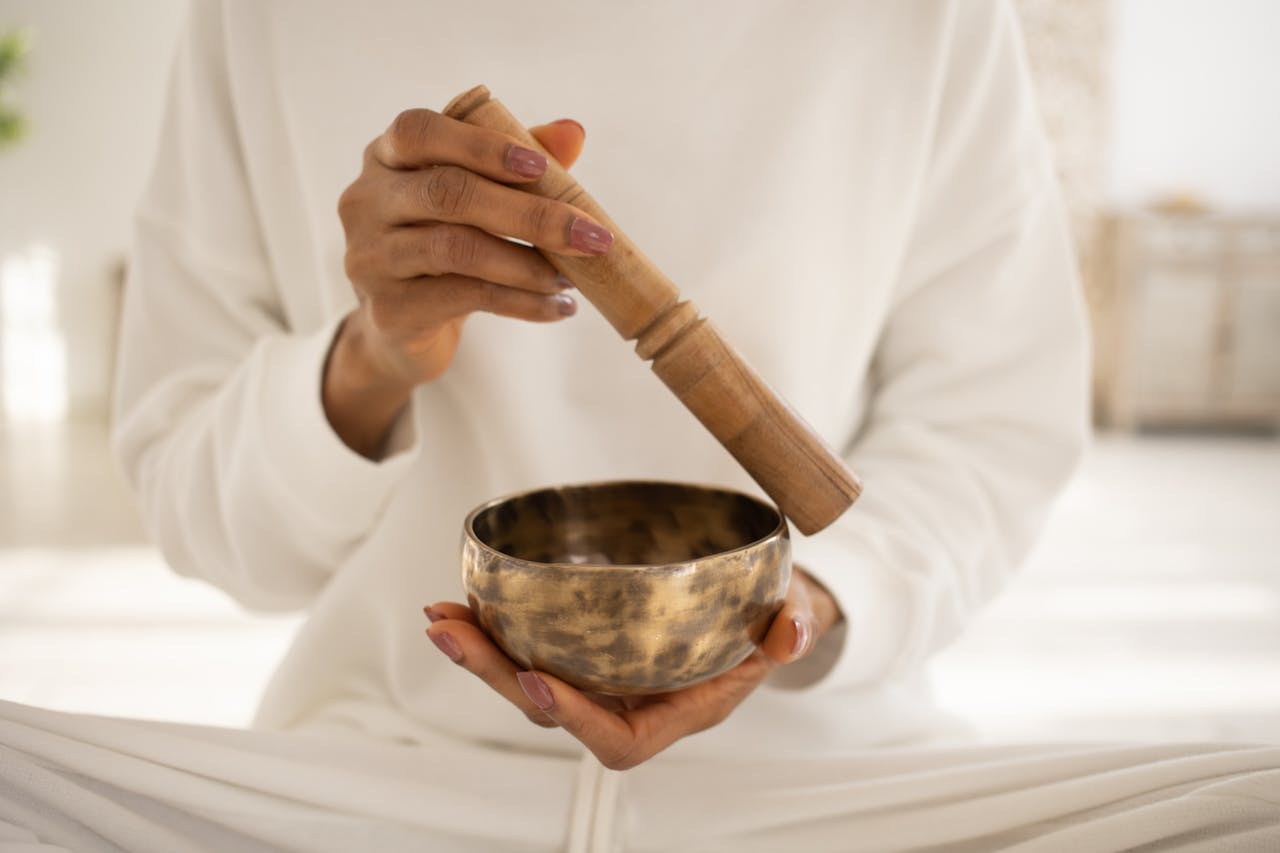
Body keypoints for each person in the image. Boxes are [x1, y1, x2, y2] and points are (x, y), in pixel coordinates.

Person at [2, 1, 1276, 850]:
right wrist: (372, 356)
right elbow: (192, 500)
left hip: (825, 778)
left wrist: (809, 606)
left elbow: (990, 426)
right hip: (390, 768)